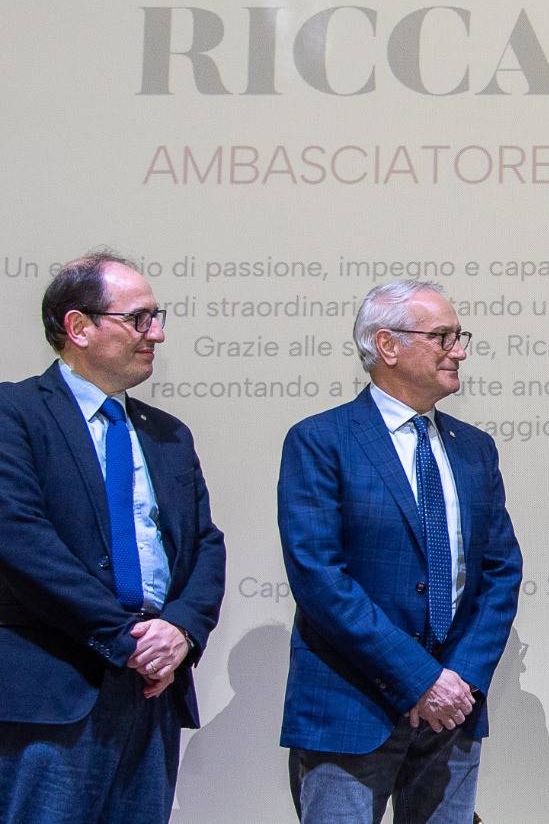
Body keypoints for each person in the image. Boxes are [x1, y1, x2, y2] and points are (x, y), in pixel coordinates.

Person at [278, 280, 521, 822]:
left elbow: (501, 572)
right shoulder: (321, 441)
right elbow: (320, 578)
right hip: (351, 706)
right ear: (387, 345)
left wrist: (460, 678)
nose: (458, 351)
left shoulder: (474, 448)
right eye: (442, 337)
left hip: (453, 709)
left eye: (459, 337)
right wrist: (420, 679)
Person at [0, 252, 226, 822]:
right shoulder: (14, 413)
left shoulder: (169, 434)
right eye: (139, 319)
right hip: (56, 688)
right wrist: (126, 640)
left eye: (156, 317)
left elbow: (204, 545)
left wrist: (180, 630)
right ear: (79, 327)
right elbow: (21, 540)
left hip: (152, 690)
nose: (157, 334)